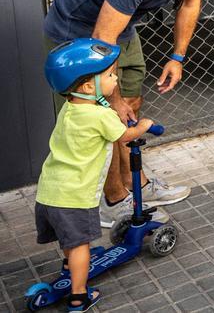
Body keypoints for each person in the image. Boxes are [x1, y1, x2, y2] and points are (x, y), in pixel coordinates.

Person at [43, 0, 214, 228]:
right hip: (76, 32)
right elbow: (102, 40)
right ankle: (112, 201)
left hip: (120, 27)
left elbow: (190, 2)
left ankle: (137, 182)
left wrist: (177, 57)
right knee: (100, 118)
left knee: (132, 101)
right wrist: (111, 99)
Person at [38, 39, 156, 312]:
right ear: (89, 86)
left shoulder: (70, 108)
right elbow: (126, 135)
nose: (115, 79)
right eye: (110, 75)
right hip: (75, 197)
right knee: (81, 244)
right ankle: (79, 296)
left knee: (70, 239)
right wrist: (145, 126)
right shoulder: (99, 117)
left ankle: (70, 266)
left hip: (49, 193)